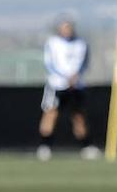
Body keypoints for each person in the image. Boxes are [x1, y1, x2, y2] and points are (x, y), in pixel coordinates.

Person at [37, 17, 99, 160]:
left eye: (69, 27)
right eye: (64, 27)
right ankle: (45, 147)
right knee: (51, 114)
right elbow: (49, 64)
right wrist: (65, 77)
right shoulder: (52, 43)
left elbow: (84, 63)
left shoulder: (81, 44)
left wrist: (76, 77)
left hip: (76, 85)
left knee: (78, 116)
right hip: (57, 85)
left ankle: (86, 146)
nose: (67, 30)